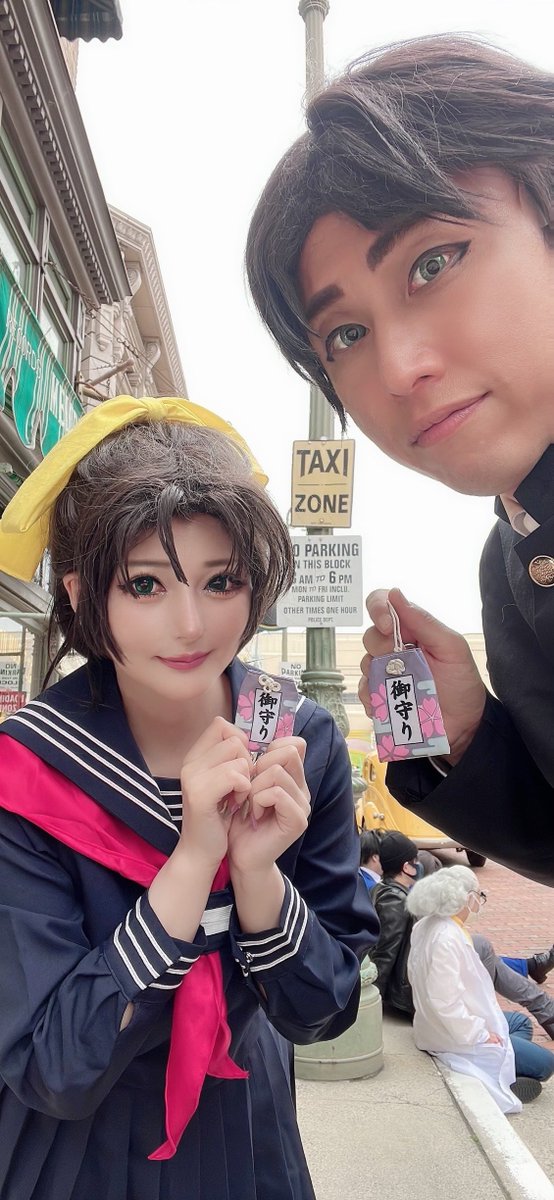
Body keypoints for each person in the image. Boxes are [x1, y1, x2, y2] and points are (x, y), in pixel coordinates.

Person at [0, 395, 377, 1200]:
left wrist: (258, 877)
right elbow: (52, 1066)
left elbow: (322, 1011)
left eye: (222, 581)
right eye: (144, 584)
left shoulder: (299, 741)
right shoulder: (26, 770)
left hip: (248, 1135)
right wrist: (195, 858)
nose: (192, 624)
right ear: (80, 593)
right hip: (76, 1157)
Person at [245, 35, 554, 884]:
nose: (397, 369)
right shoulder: (510, 557)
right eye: (346, 334)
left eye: (432, 262)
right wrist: (468, 733)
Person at [370, 833, 554, 1038]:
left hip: (415, 978)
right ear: (407, 867)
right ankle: (541, 1005)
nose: (419, 864)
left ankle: (542, 1003)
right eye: (415, 860)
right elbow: (385, 954)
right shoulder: (393, 900)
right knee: (479, 950)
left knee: (479, 947)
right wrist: (374, 1004)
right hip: (409, 994)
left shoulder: (389, 890)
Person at [406, 867, 554, 1111]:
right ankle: (496, 1074)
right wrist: (481, 1034)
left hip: (444, 1022)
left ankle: (503, 1066)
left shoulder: (428, 926)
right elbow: (444, 1003)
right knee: (546, 1064)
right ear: (465, 898)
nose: (479, 902)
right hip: (453, 1034)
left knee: (520, 1023)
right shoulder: (446, 939)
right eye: (479, 895)